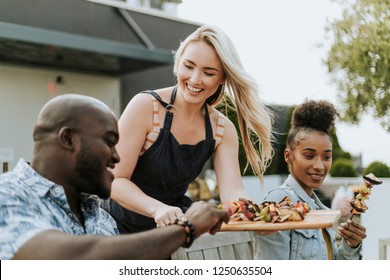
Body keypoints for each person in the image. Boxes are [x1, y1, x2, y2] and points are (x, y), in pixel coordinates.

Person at [0, 94, 229, 260]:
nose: (117, 157)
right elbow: (71, 258)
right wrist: (185, 229)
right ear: (68, 139)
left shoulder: (101, 218)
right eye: (110, 142)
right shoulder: (8, 195)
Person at [103, 24, 274, 234]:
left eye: (208, 73)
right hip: (113, 228)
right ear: (177, 64)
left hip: (168, 233)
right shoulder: (146, 106)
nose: (195, 79)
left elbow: (233, 193)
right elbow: (114, 180)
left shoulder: (222, 129)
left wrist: (256, 216)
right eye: (189, 66)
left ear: (222, 78)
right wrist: (158, 209)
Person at [252, 99, 367, 260]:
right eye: (309, 156)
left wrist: (351, 245)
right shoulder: (278, 202)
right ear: (288, 156)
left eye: (327, 157)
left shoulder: (320, 210)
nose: (320, 166)